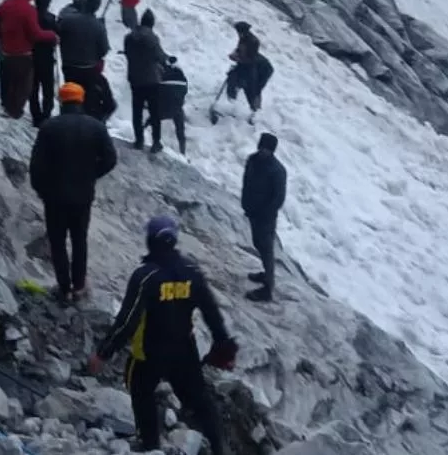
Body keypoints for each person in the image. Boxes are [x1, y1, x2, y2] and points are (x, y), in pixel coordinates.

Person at [88, 216, 237, 455]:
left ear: (150, 241)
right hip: (184, 349)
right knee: (199, 400)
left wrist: (103, 353)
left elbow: (127, 321)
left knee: (139, 388)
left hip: (150, 350)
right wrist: (224, 346)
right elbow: (212, 313)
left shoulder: (145, 276)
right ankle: (219, 448)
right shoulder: (191, 271)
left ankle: (150, 445)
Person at [30, 82, 118, 302]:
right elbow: (110, 159)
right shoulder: (96, 127)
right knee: (80, 240)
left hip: (54, 196)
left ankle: (63, 287)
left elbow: (36, 166)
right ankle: (79, 285)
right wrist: (91, 175)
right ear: (81, 100)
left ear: (61, 101)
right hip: (83, 195)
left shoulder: (49, 127)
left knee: (57, 242)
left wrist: (42, 190)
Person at [0, 0, 58, 119]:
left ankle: (6, 107)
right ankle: (14, 113)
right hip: (23, 55)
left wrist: (0, 38)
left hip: (5, 52)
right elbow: (35, 34)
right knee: (23, 87)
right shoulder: (28, 10)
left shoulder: (6, 4)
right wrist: (51, 35)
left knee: (7, 82)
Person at [241, 133, 287, 302]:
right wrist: (245, 204)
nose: (263, 151)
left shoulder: (278, 170)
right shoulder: (252, 160)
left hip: (266, 217)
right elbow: (246, 182)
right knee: (258, 243)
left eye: (267, 149)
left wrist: (265, 213)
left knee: (266, 248)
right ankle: (266, 274)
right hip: (252, 211)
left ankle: (268, 287)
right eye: (262, 147)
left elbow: (278, 198)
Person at [57, 0, 110, 120]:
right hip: (88, 69)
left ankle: (68, 118)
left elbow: (58, 35)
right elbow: (103, 50)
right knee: (87, 99)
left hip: (69, 66)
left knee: (71, 95)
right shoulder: (98, 26)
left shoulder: (68, 20)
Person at [124, 9, 168, 152]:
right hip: (151, 80)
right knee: (155, 112)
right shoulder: (152, 38)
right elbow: (160, 57)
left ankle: (139, 140)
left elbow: (128, 54)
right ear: (152, 24)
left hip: (135, 78)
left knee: (137, 110)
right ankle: (156, 142)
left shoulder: (129, 38)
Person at [227, 22, 273, 123]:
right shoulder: (243, 38)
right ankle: (231, 98)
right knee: (233, 76)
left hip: (262, 69)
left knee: (253, 89)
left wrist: (238, 59)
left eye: (239, 32)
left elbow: (251, 59)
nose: (238, 34)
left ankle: (256, 115)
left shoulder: (253, 41)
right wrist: (235, 54)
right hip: (249, 65)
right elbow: (239, 50)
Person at [30, 0, 59, 127]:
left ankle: (36, 116)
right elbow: (56, 38)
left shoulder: (30, 17)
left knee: (33, 88)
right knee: (48, 89)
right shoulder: (52, 19)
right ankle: (46, 115)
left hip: (31, 57)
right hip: (47, 59)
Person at [158, 56, 189, 155]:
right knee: (180, 130)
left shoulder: (162, 73)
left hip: (164, 108)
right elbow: (185, 90)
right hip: (177, 108)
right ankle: (183, 152)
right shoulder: (181, 74)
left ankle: (150, 140)